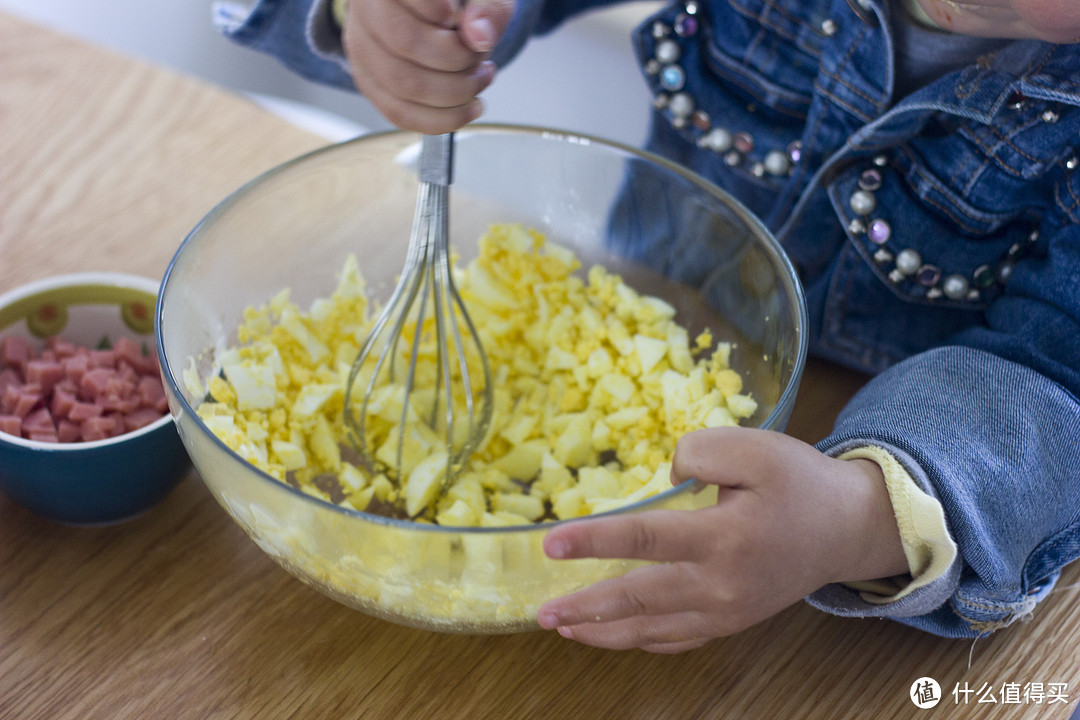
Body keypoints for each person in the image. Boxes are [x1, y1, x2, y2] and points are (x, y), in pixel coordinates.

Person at [213, 0, 1080, 652]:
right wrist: (397, 21)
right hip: (658, 311)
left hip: (856, 508)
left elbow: (1056, 377)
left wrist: (862, 516)